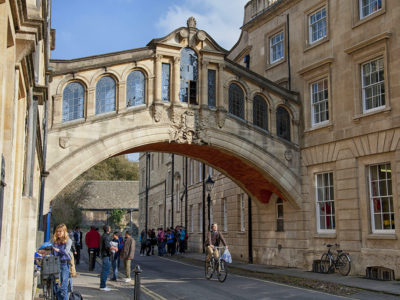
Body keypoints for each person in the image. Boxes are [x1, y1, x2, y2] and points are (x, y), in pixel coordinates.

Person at [53, 224, 73, 300]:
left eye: (60, 231)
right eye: (57, 231)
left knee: (64, 287)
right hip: (56, 265)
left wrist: (58, 250)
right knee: (56, 286)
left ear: (64, 232)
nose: (58, 233)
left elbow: (66, 251)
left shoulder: (68, 241)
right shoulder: (54, 240)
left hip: (65, 264)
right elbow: (49, 247)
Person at [99, 225, 118, 291]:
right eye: (110, 228)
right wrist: (115, 248)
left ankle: (103, 285)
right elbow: (108, 246)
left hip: (105, 255)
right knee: (105, 271)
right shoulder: (106, 236)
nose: (110, 228)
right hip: (106, 256)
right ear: (108, 229)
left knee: (104, 271)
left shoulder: (104, 235)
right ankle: (103, 286)